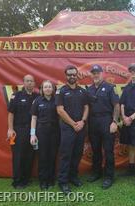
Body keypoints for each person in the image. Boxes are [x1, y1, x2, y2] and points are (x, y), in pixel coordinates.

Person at [55, 65, 89, 195]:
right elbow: (60, 110)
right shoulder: (61, 91)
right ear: (66, 76)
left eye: (74, 74)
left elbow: (86, 107)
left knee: (77, 154)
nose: (72, 76)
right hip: (67, 128)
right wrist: (73, 124)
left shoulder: (82, 91)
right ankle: (63, 182)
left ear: (77, 75)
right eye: (69, 74)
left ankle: (73, 177)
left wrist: (83, 121)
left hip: (80, 127)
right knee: (66, 155)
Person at [86, 64, 120, 189]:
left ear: (102, 73)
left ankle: (109, 176)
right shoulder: (88, 89)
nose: (95, 74)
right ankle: (96, 172)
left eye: (98, 72)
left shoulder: (110, 88)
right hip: (93, 121)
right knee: (95, 150)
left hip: (107, 120)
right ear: (91, 74)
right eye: (93, 72)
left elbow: (116, 105)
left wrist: (115, 122)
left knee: (108, 150)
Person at [7, 74, 38, 189]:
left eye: (31, 81)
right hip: (19, 130)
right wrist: (10, 129)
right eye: (27, 81)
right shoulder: (17, 96)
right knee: (19, 156)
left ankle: (26, 179)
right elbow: (11, 113)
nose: (30, 83)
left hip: (33, 131)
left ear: (34, 83)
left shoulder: (37, 96)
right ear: (23, 83)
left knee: (30, 155)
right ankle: (17, 181)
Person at [30, 80, 60, 190]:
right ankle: (43, 181)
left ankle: (51, 179)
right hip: (41, 131)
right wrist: (32, 135)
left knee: (52, 156)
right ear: (42, 89)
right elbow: (33, 118)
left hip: (55, 131)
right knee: (42, 157)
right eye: (45, 87)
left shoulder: (57, 100)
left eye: (49, 87)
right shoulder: (37, 101)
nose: (47, 89)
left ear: (53, 89)